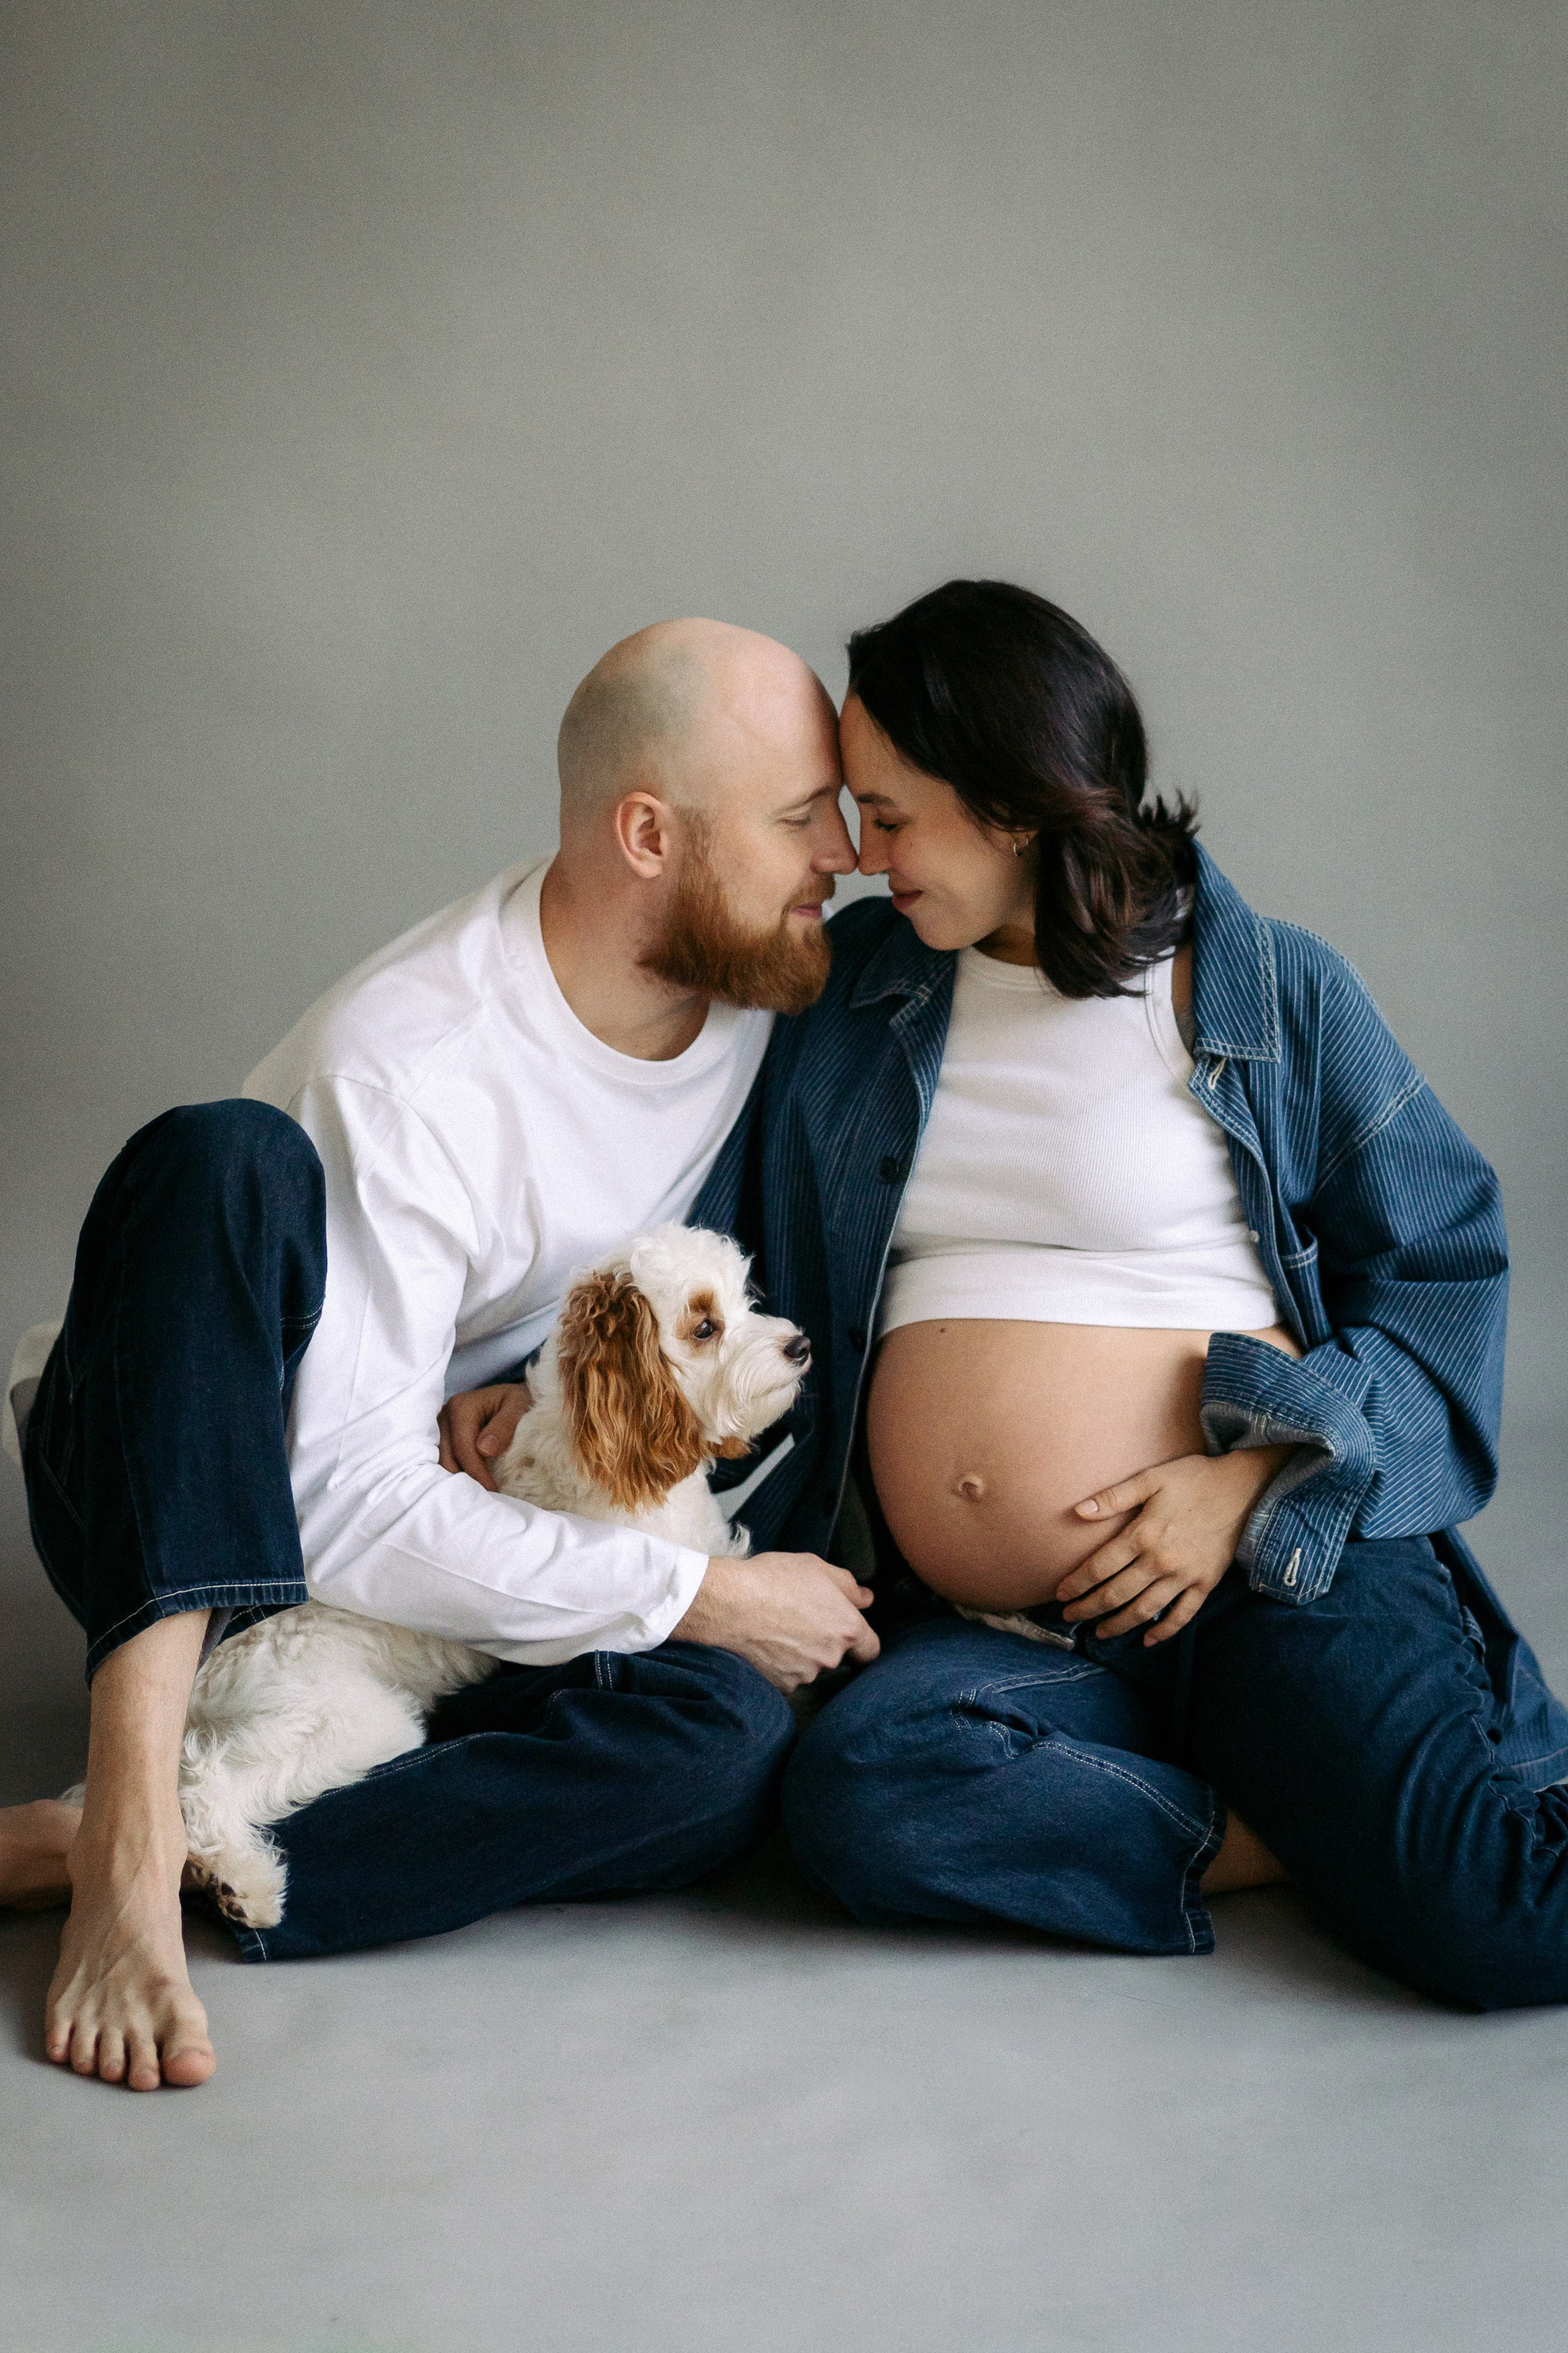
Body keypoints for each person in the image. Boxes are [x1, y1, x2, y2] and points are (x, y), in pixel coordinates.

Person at [0, 617, 880, 2092]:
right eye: (801, 818)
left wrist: (531, 1402)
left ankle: (127, 1837)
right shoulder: (415, 1060)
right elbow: (343, 1503)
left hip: (464, 1521)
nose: (841, 854)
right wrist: (705, 1590)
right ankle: (135, 1839)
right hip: (198, 1488)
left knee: (723, 1740)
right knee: (219, 1160)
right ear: (649, 835)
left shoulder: (756, 986)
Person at [686, 578, 1568, 2012]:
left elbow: (1445, 1264)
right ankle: (1274, 1828)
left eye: (890, 815)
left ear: (1012, 807)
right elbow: (701, 1235)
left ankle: (1306, 1791)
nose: (856, 852)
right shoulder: (847, 1002)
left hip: (1264, 1567)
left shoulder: (1258, 987)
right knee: (864, 1788)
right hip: (998, 1627)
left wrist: (1252, 1484)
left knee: (1496, 1915)